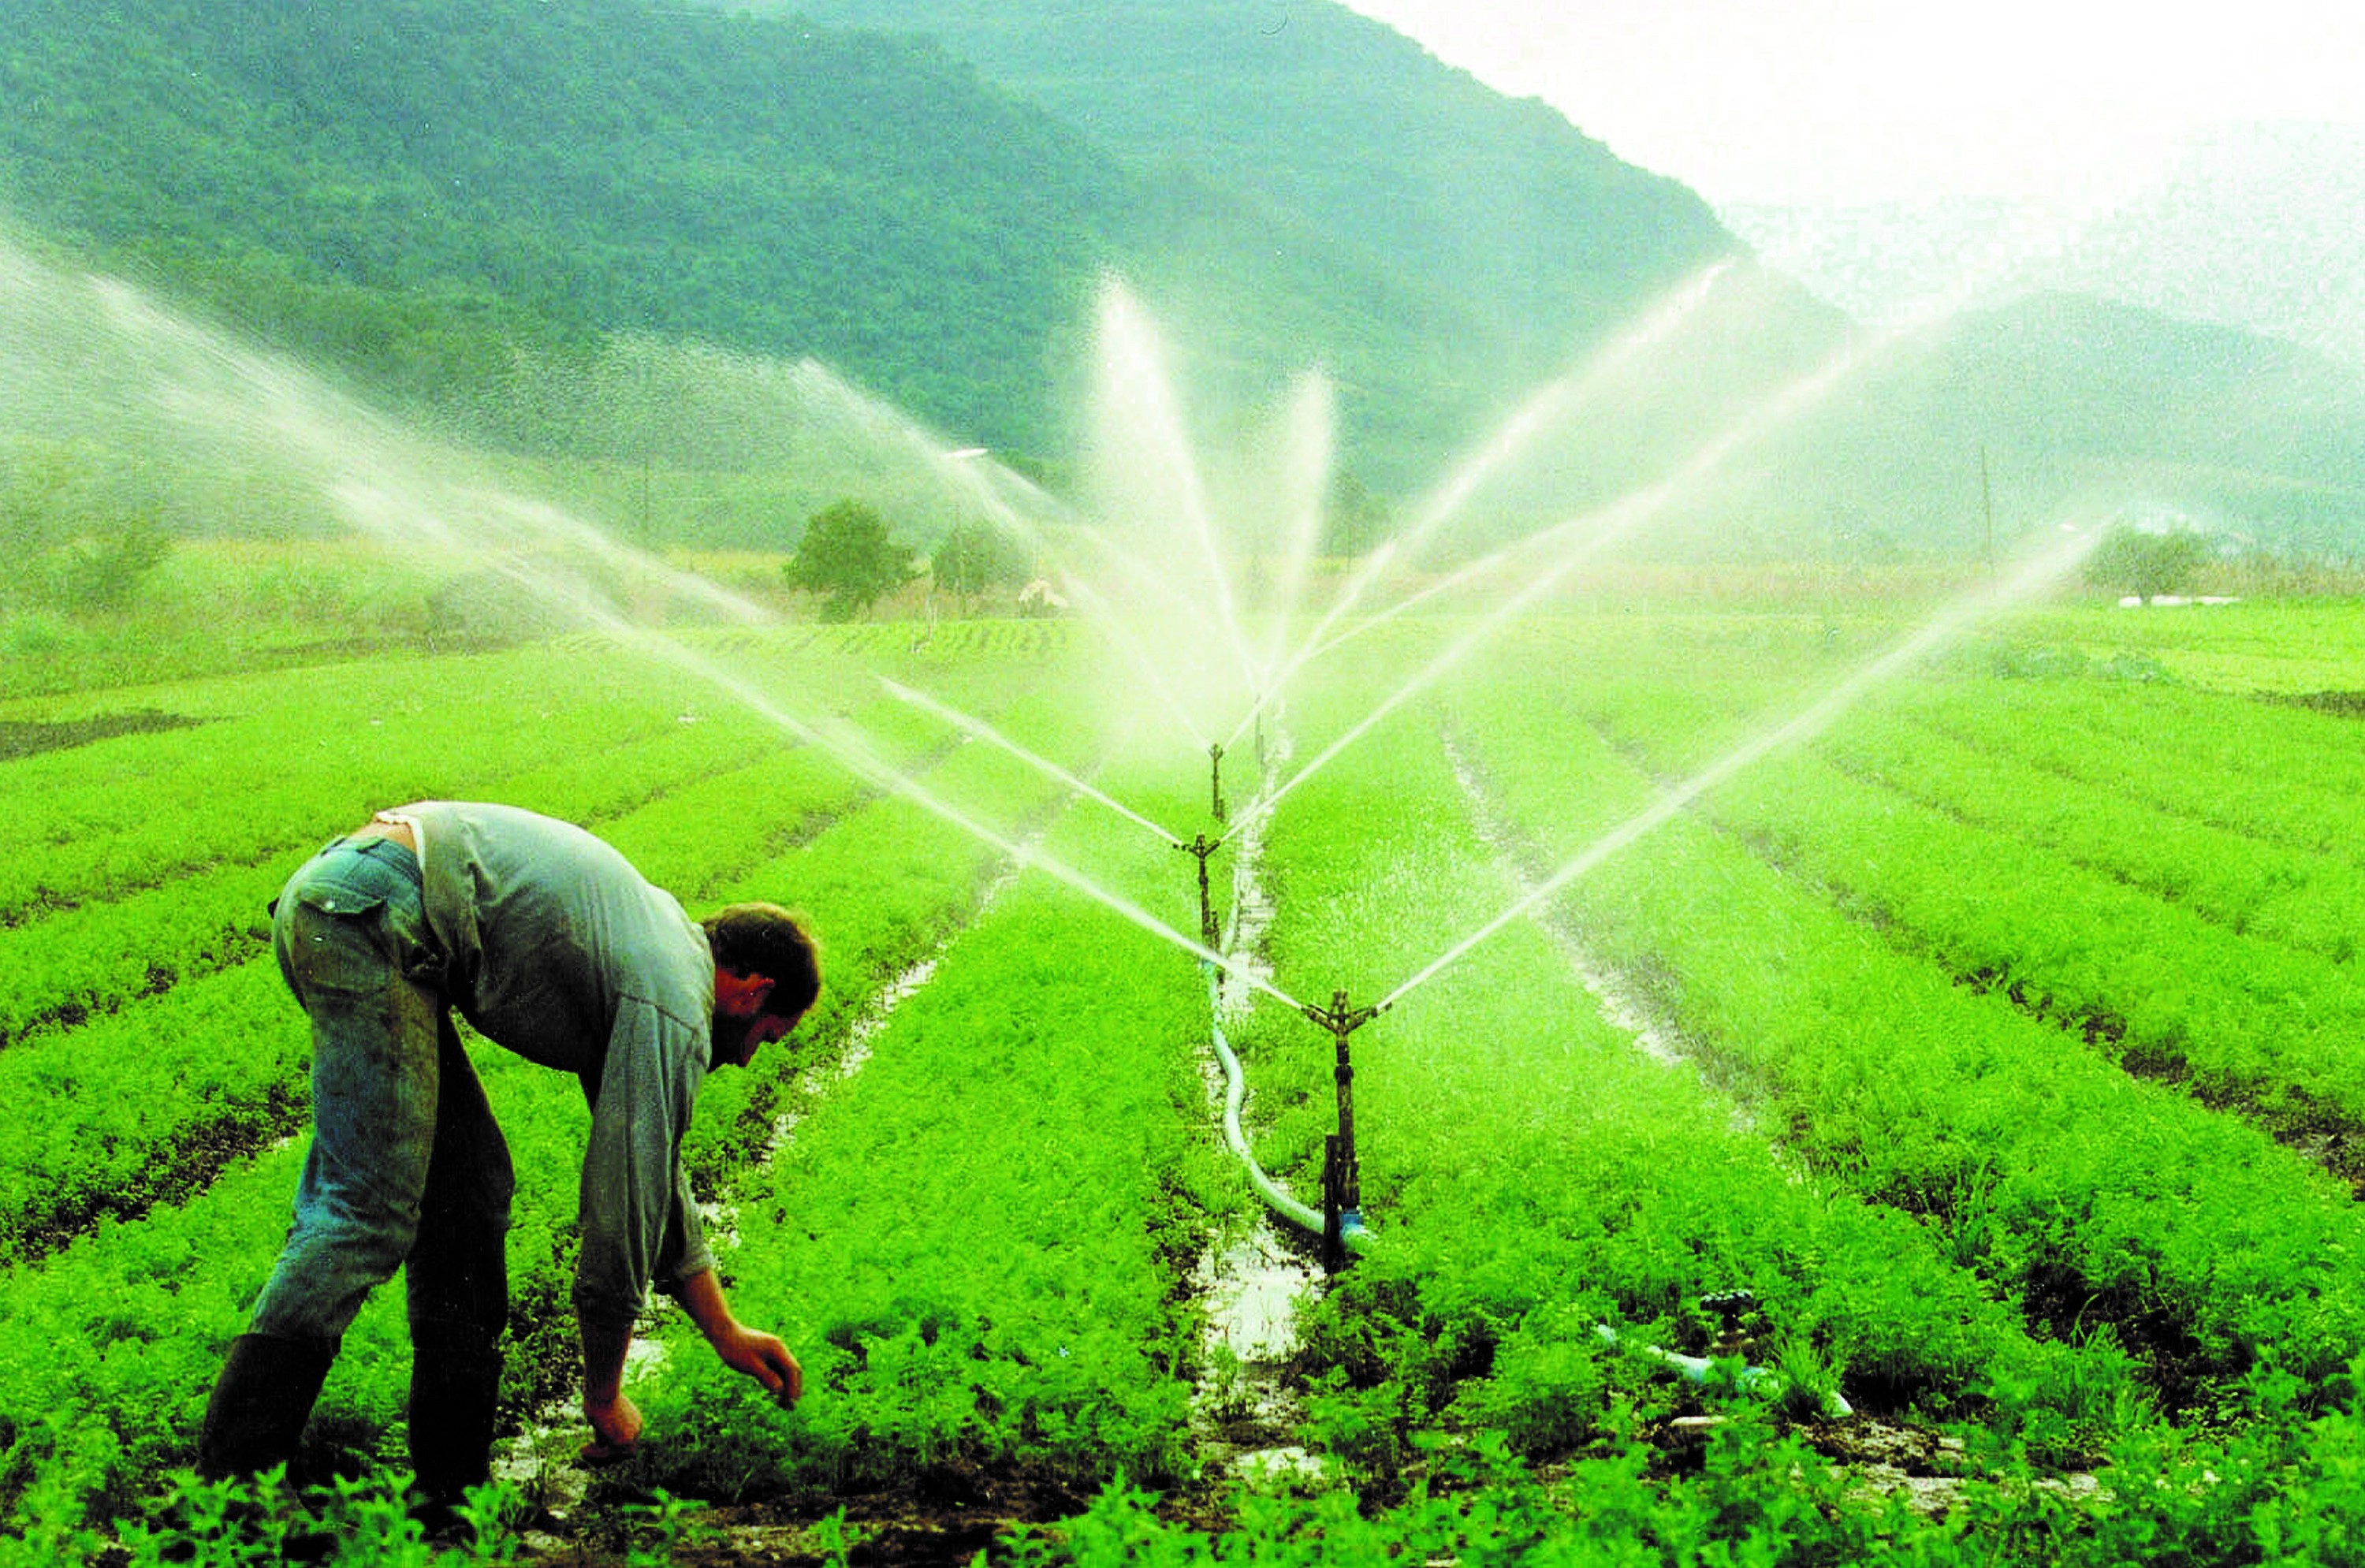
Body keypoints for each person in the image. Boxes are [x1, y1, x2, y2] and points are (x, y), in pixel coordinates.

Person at [197, 801, 819, 1521]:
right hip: (373, 913)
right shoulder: (674, 997)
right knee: (364, 1211)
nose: (746, 1060)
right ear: (755, 989)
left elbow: (656, 1175)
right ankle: (224, 1498)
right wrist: (604, 1395)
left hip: (358, 897)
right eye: (766, 1037)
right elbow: (622, 1217)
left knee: (469, 1185)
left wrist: (723, 1328)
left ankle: (450, 1495)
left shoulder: (656, 952)